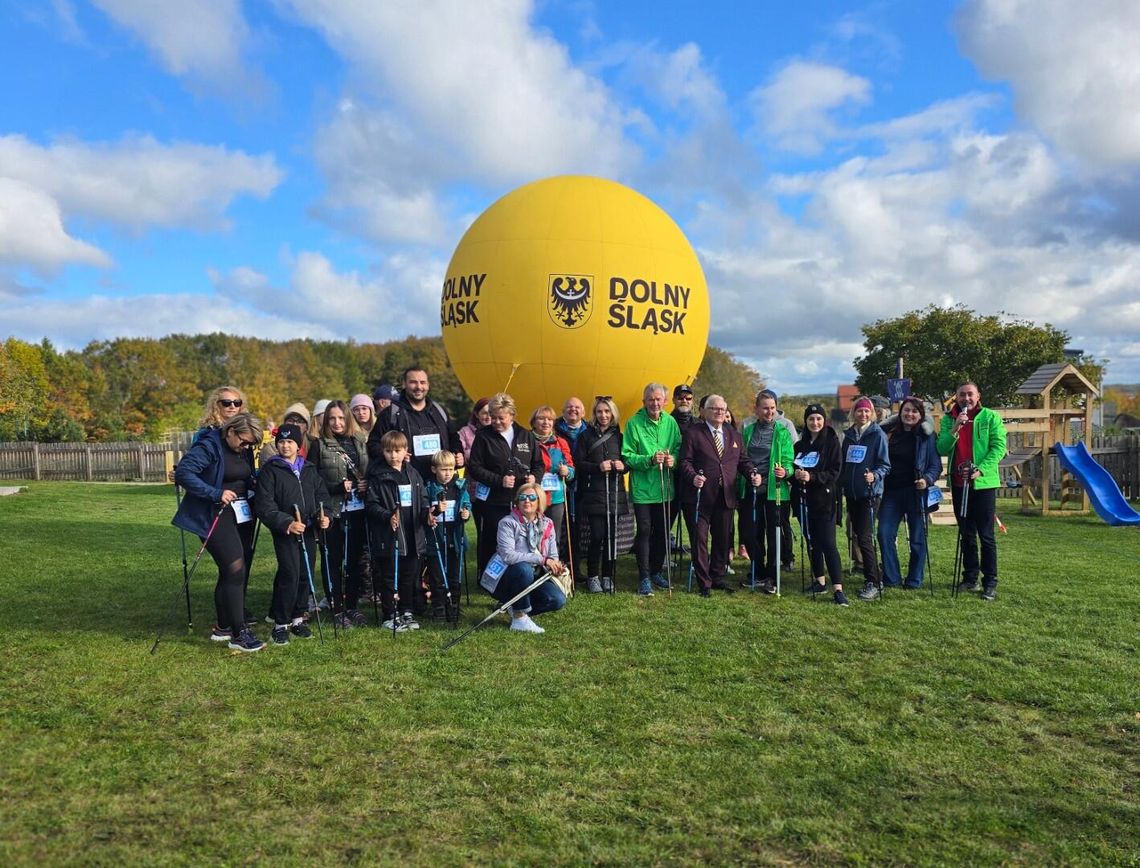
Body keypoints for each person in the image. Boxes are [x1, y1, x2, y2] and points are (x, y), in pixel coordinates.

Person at [173, 412, 263, 652]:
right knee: (235, 568)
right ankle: (238, 632)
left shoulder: (242, 448)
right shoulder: (209, 445)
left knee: (231, 570)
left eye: (250, 444)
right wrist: (215, 493)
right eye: (243, 441)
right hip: (215, 514)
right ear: (231, 431)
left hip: (242, 514)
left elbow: (243, 474)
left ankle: (223, 626)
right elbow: (183, 473)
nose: (245, 446)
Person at [254, 423, 331, 645]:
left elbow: (321, 495)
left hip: (307, 529)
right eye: (282, 442)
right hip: (287, 532)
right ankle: (281, 623)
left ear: (298, 445)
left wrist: (324, 516)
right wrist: (286, 523)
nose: (286, 446)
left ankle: (298, 618)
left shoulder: (308, 469)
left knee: (305, 573)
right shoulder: (271, 470)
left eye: (290, 442)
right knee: (290, 574)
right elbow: (265, 505)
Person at [681, 394, 759, 597]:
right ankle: (703, 582)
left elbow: (743, 461)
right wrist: (692, 478)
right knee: (699, 539)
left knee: (722, 540)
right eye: (714, 408)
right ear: (704, 411)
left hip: (725, 496)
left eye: (722, 409)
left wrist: (752, 473)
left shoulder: (734, 435)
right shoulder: (693, 433)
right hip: (699, 497)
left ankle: (717, 576)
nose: (719, 412)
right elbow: (685, 462)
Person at [937, 381, 1007, 601]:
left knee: (986, 535)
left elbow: (998, 447)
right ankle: (970, 578)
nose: (966, 399)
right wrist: (956, 427)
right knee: (966, 534)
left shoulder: (990, 417)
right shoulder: (949, 419)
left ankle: (990, 581)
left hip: (983, 484)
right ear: (956, 398)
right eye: (961, 395)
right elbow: (941, 448)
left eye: (970, 394)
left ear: (978, 396)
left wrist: (981, 469)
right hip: (959, 483)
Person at [308, 400, 371, 627]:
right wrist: (336, 487)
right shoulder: (319, 445)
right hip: (332, 511)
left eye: (341, 418)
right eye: (332, 418)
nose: (336, 422)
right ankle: (336, 609)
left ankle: (352, 607)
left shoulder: (360, 441)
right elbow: (311, 479)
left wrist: (366, 484)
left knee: (354, 560)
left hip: (358, 509)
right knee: (332, 560)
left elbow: (370, 469)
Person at [466, 392, 543, 576]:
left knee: (520, 539)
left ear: (512, 415)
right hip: (494, 501)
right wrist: (498, 480)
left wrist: (534, 478)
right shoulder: (483, 436)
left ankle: (519, 575)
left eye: (501, 418)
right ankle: (487, 576)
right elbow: (475, 467)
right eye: (493, 418)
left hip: (522, 501)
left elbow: (538, 464)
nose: (496, 422)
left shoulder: (526, 435)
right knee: (493, 538)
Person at [480, 481, 567, 634]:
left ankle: (514, 607)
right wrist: (541, 559)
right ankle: (519, 617)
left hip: (534, 577)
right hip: (504, 577)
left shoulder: (548, 524)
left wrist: (555, 566)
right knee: (524, 569)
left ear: (539, 501)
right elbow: (508, 556)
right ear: (517, 501)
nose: (527, 501)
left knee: (557, 600)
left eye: (532, 497)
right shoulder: (507, 523)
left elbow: (552, 555)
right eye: (522, 497)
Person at [622, 383, 682, 596]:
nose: (655, 403)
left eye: (658, 399)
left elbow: (678, 448)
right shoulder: (634, 423)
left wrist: (673, 460)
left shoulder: (671, 422)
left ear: (665, 402)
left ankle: (656, 570)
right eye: (650, 399)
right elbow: (627, 455)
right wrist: (648, 459)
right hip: (643, 490)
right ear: (644, 402)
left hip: (666, 489)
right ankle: (644, 577)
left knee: (663, 532)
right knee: (645, 531)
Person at [365, 430, 428, 631]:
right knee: (389, 575)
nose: (393, 455)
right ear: (382, 452)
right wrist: (387, 516)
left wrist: (427, 513)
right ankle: (389, 614)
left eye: (397, 451)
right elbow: (371, 504)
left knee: (409, 575)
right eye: (389, 451)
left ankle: (406, 610)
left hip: (412, 533)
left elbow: (423, 498)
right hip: (389, 534)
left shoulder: (413, 473)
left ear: (405, 451)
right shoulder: (378, 476)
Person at [877, 397, 942, 590]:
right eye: (906, 410)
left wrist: (927, 479)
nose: (910, 414)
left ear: (921, 415)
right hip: (891, 493)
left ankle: (914, 579)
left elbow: (935, 465)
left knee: (917, 538)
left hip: (916, 492)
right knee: (884, 534)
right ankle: (892, 577)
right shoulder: (888, 433)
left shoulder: (926, 435)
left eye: (914, 411)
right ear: (900, 412)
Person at [737, 390, 794, 593]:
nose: (769, 412)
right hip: (751, 488)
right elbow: (741, 457)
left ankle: (772, 575)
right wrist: (750, 474)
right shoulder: (748, 430)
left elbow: (789, 460)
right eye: (765, 408)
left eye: (772, 408)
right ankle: (757, 571)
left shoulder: (782, 431)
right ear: (757, 409)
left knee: (774, 533)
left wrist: (785, 471)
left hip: (774, 490)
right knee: (751, 532)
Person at [793, 404, 848, 605]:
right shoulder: (799, 446)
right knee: (812, 543)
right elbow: (794, 469)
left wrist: (813, 477)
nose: (815, 423)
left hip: (825, 501)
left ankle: (838, 589)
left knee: (828, 544)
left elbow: (835, 471)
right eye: (810, 419)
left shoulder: (832, 442)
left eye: (818, 419)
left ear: (824, 421)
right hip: (803, 501)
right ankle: (820, 581)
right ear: (806, 422)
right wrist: (796, 475)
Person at [573, 396, 629, 593]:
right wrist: (598, 467)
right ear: (594, 414)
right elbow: (578, 463)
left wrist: (624, 466)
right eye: (599, 412)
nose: (603, 415)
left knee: (611, 538)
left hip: (615, 493)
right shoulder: (585, 436)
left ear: (612, 413)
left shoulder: (620, 437)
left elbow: (628, 459)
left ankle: (608, 575)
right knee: (597, 537)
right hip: (594, 494)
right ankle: (593, 576)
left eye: (607, 411)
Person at [367, 367, 462, 481]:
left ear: (428, 385)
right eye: (413, 382)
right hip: (405, 483)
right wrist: (394, 456)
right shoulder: (390, 414)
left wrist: (458, 453)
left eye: (423, 382)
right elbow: (373, 444)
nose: (419, 387)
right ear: (404, 384)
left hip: (439, 484)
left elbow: (454, 437)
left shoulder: (440, 411)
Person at [842, 397, 891, 601]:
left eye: (866, 411)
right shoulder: (849, 435)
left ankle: (874, 581)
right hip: (852, 494)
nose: (863, 415)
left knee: (864, 537)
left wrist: (875, 476)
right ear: (854, 413)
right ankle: (869, 575)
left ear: (872, 413)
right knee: (856, 535)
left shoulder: (877, 435)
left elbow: (885, 464)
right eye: (859, 411)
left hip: (870, 494)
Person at [531, 405, 575, 570]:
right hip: (533, 497)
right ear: (534, 422)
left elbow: (571, 468)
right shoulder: (527, 440)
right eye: (541, 418)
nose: (546, 422)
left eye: (549, 419)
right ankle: (533, 569)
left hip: (555, 496)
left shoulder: (560, 442)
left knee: (553, 534)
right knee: (533, 534)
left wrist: (567, 471)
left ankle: (551, 569)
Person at [554, 396, 587, 577]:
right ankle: (555, 565)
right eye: (569, 407)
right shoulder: (555, 430)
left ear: (583, 412)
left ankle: (575, 567)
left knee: (576, 527)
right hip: (558, 485)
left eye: (577, 407)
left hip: (582, 485)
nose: (573, 410)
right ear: (563, 410)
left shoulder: (589, 430)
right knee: (557, 528)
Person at [458, 397, 491, 465]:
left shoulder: (499, 432)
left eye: (491, 413)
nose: (488, 416)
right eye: (485, 413)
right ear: (476, 414)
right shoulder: (465, 432)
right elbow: (460, 454)